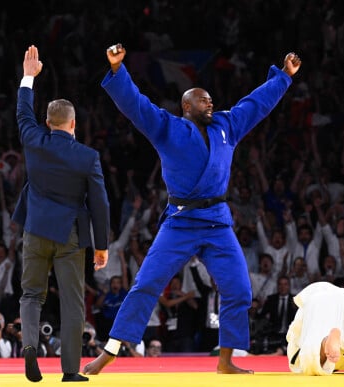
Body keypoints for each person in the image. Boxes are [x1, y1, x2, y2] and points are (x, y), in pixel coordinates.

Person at [83, 43, 301, 376]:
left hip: (217, 222)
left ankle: (226, 360)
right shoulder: (168, 128)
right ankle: (110, 351)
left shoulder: (226, 125)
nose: (210, 101)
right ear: (187, 106)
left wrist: (284, 77)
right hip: (181, 221)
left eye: (211, 98)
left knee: (239, 289)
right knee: (146, 284)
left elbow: (256, 104)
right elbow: (136, 105)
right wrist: (117, 70)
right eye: (202, 98)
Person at [14, 45, 110, 383]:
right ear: (73, 124)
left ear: (47, 122)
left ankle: (29, 347)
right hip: (70, 236)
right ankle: (70, 371)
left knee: (31, 295)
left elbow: (23, 112)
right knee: (72, 302)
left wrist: (29, 76)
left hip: (35, 229)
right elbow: (100, 203)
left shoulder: (33, 138)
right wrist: (101, 246)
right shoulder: (88, 156)